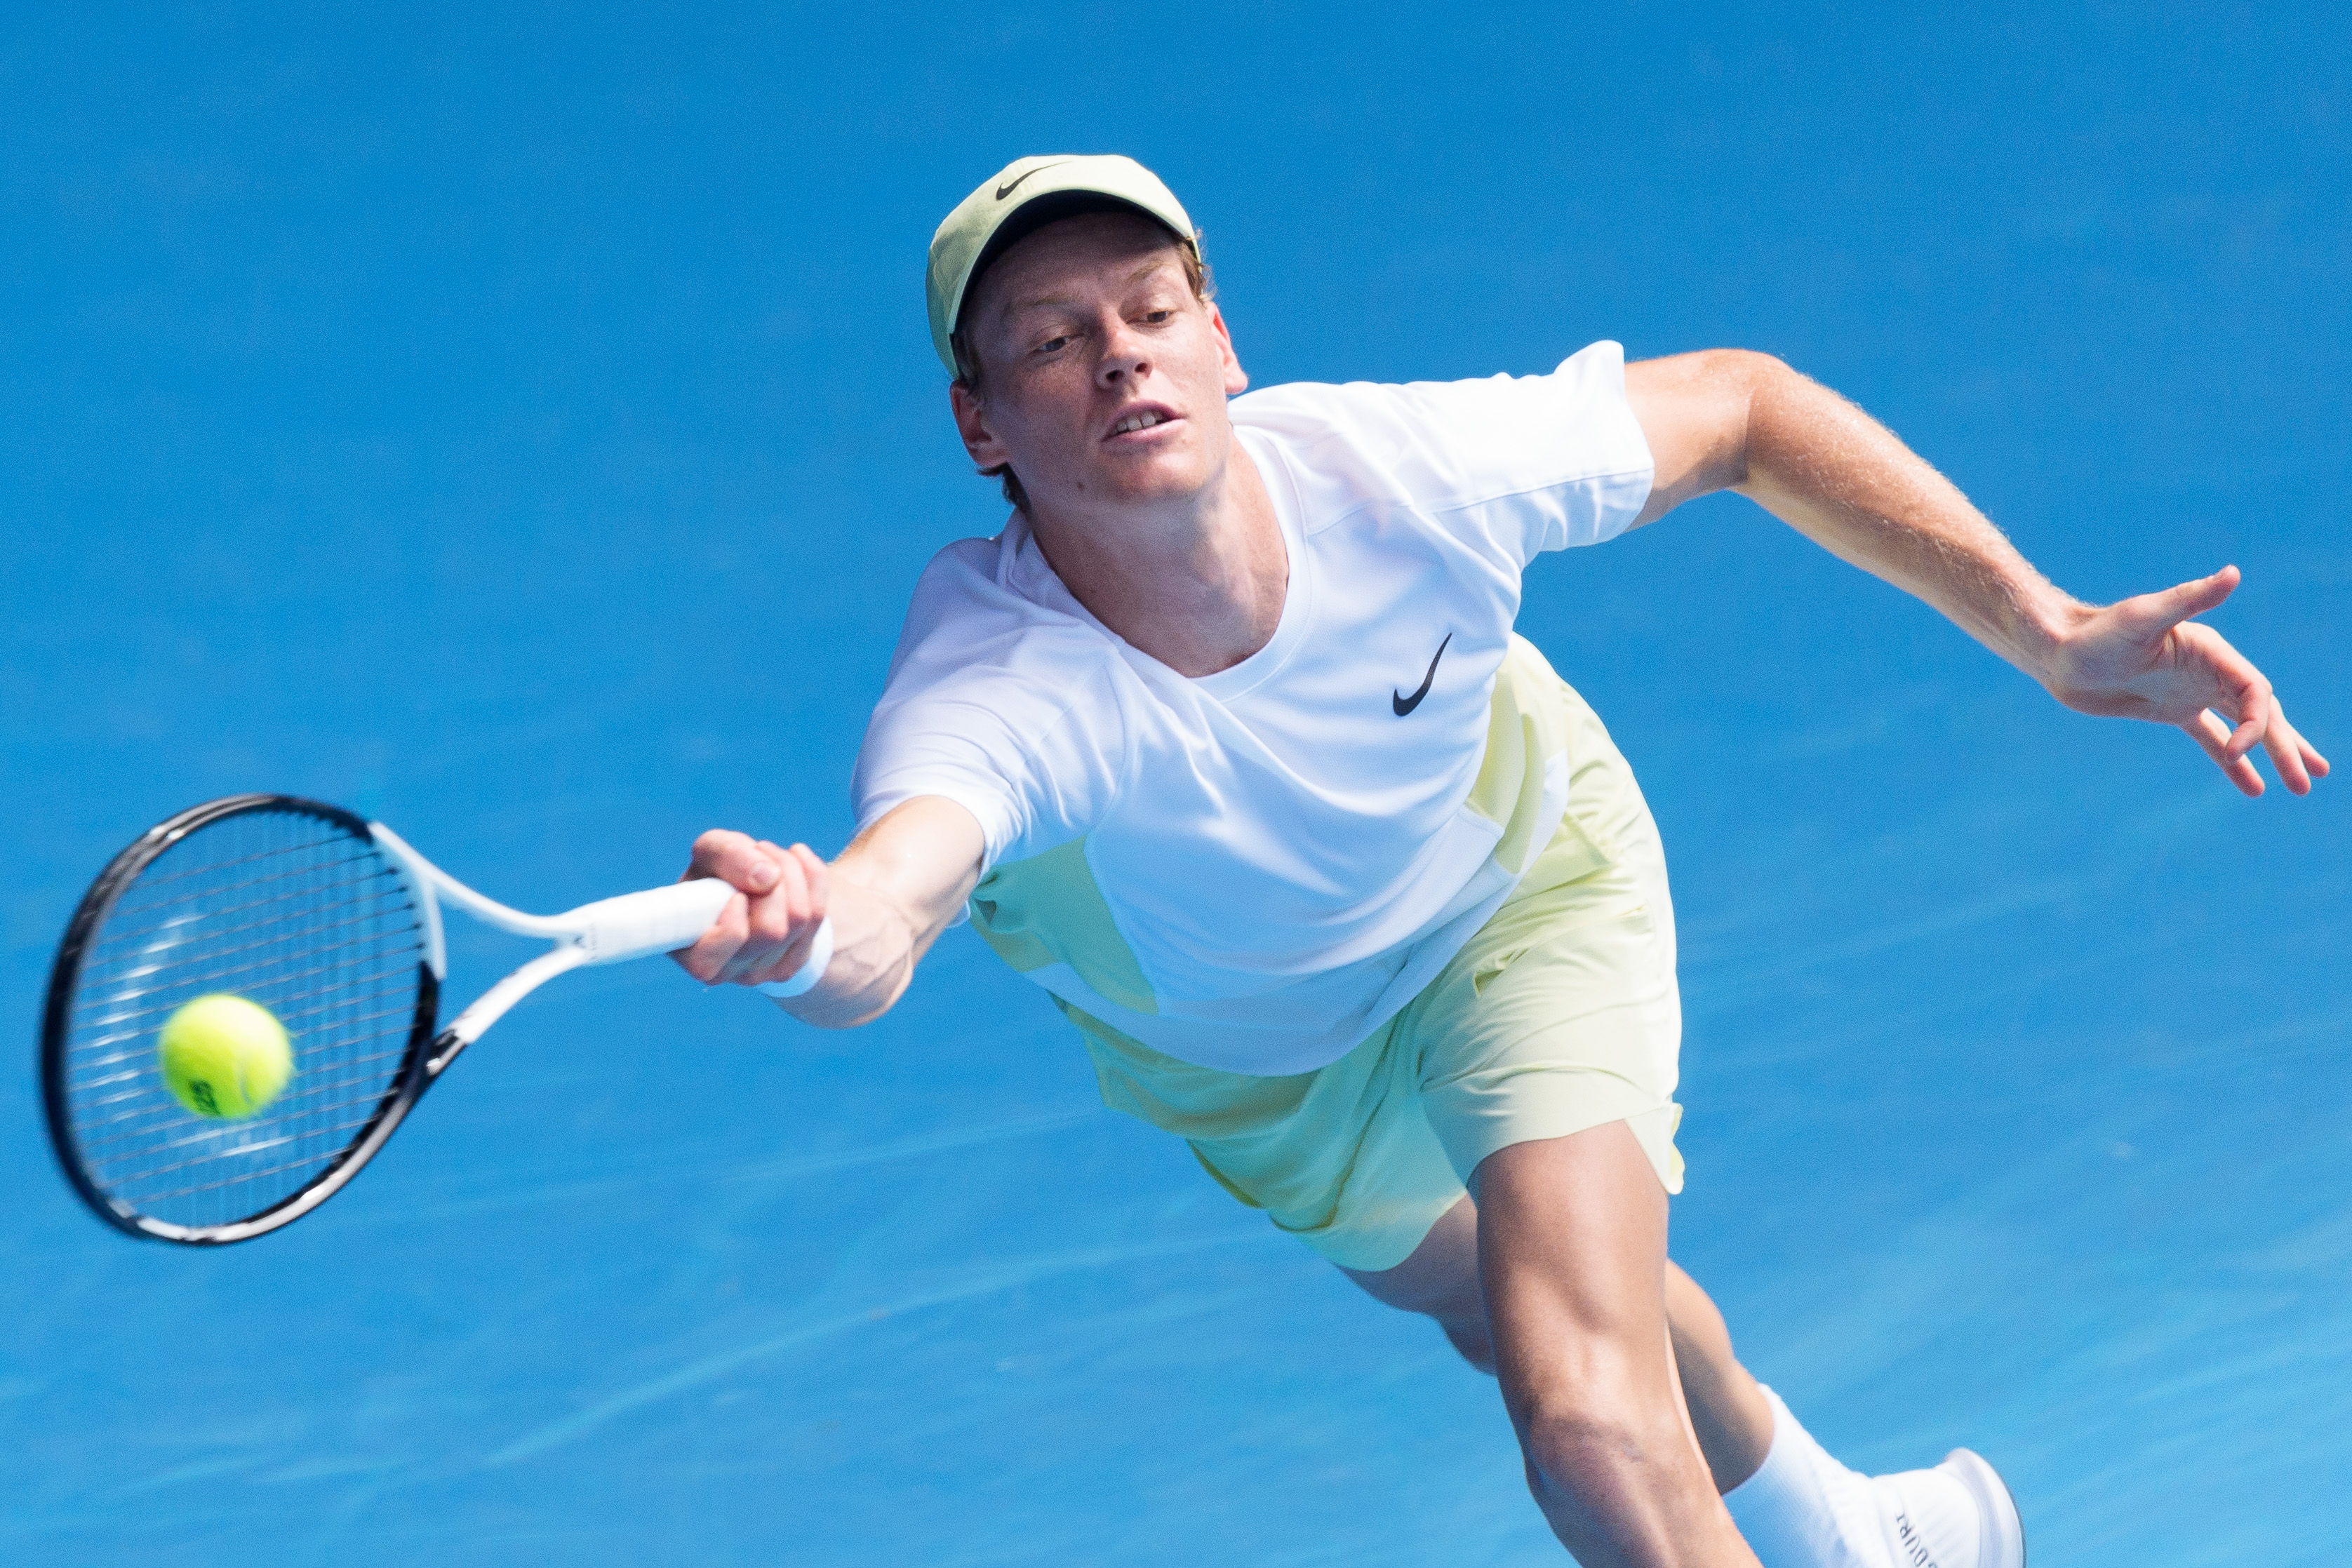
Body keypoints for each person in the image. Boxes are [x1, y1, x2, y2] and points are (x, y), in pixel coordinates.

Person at [671, 156, 2325, 1567]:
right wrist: (810, 936)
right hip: (1267, 1076)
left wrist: (2046, 630)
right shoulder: (995, 682)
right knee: (1536, 1309)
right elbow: (892, 903)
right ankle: (1861, 1532)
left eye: (1150, 311)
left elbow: (1741, 406)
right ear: (978, 421)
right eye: (1050, 339)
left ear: (1220, 338)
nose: (1118, 359)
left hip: (1510, 897)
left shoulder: (1404, 473)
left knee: (1588, 1412)